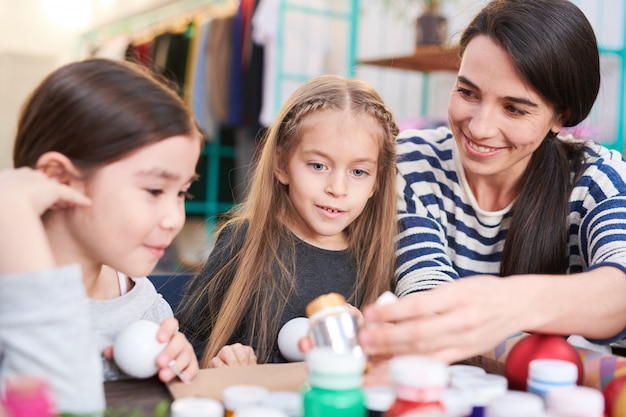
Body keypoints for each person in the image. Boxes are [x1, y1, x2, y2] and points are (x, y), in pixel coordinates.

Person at [359, 0, 626, 366]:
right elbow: (429, 301)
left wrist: (512, 303)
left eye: (514, 109)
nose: (480, 127)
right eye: (467, 92)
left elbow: (619, 291)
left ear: (559, 116)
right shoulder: (412, 162)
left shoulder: (597, 179)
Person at [1, 58, 201, 412]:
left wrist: (174, 362)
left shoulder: (139, 297)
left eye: (182, 192)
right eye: (155, 190)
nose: (174, 218)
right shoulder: (13, 302)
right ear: (59, 179)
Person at [176, 74, 399, 367]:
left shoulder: (377, 258)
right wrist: (218, 362)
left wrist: (370, 343)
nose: (337, 188)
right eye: (318, 165)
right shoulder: (244, 241)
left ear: (377, 182)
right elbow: (185, 342)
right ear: (281, 164)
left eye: (358, 172)